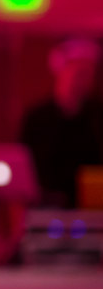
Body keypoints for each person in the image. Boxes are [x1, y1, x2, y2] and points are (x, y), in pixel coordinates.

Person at [20, 37, 103, 207]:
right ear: (61, 70)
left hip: (90, 210)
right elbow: (24, 168)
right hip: (44, 208)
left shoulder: (97, 116)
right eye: (79, 72)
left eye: (89, 73)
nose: (84, 80)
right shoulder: (37, 118)